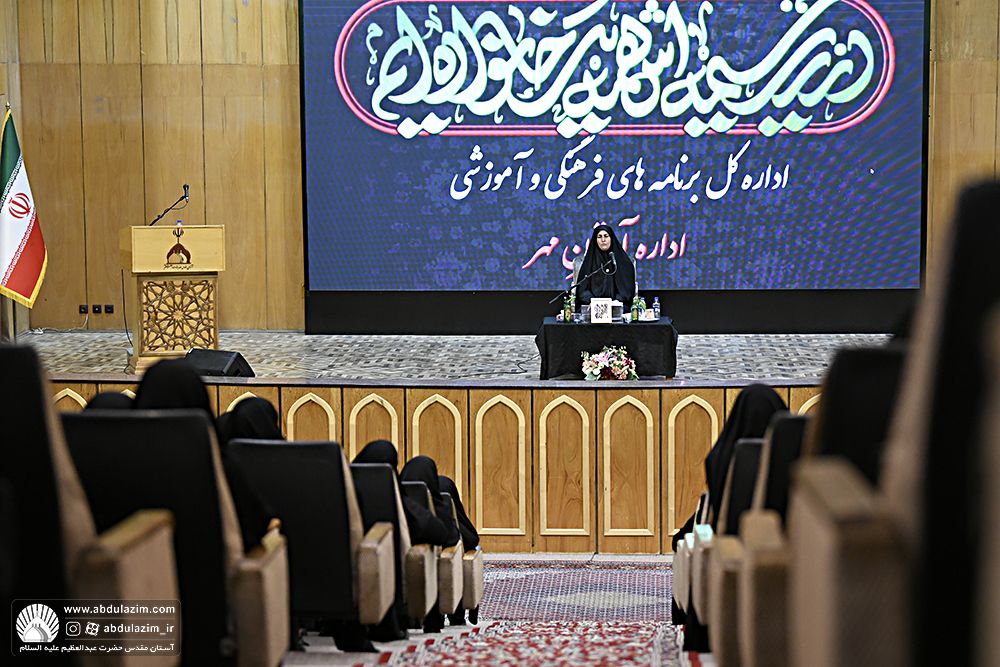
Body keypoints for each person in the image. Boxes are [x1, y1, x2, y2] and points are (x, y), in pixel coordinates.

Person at [670, 383, 787, 649]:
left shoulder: (723, 458)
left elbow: (714, 512)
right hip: (785, 549)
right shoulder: (791, 455)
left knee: (686, 536)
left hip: (728, 549)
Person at [576, 224, 635, 307]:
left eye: (606, 236)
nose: (603, 240)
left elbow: (627, 290)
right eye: (599, 237)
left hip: (617, 307)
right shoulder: (590, 262)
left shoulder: (623, 262)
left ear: (611, 238)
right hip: (592, 307)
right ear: (595, 240)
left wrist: (615, 302)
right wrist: (590, 300)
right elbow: (582, 290)